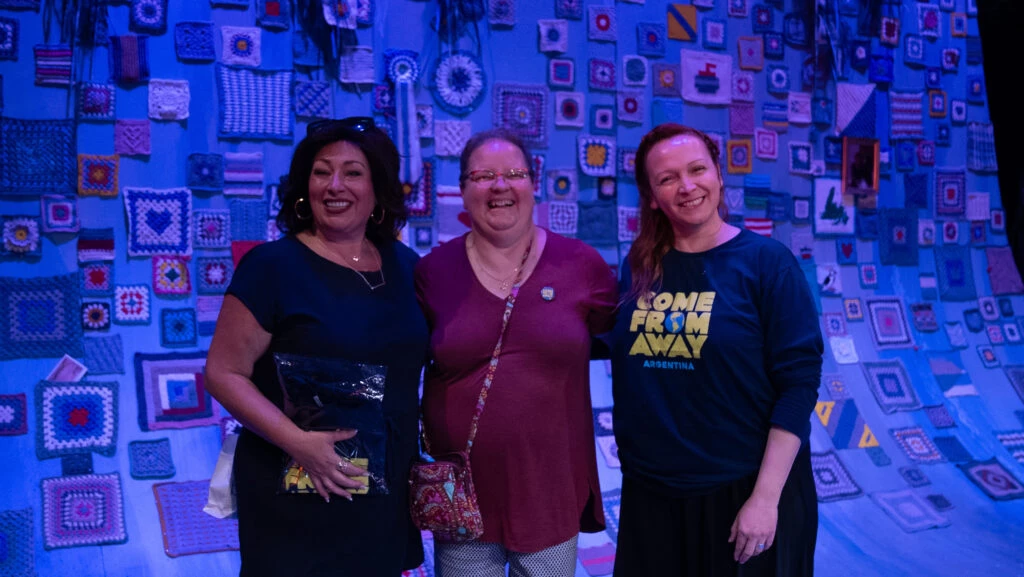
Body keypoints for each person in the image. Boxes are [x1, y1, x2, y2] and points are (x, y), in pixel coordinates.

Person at [205, 117, 428, 577]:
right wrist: (300, 443)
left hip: (385, 490)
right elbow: (224, 373)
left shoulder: (408, 266)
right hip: (297, 487)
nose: (334, 185)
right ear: (305, 186)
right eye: (322, 172)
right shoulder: (272, 267)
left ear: (378, 188)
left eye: (353, 173)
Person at [609, 123, 823, 577]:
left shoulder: (767, 263)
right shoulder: (639, 267)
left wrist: (765, 499)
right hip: (653, 496)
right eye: (668, 178)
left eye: (697, 170)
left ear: (719, 176)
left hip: (743, 494)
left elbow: (799, 385)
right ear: (652, 196)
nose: (687, 186)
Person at [415, 128, 618, 577]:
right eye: (483, 176)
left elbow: (626, 338)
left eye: (513, 173)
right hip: (463, 500)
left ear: (533, 184)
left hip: (550, 496)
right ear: (463, 190)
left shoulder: (581, 265)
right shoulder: (432, 272)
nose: (499, 185)